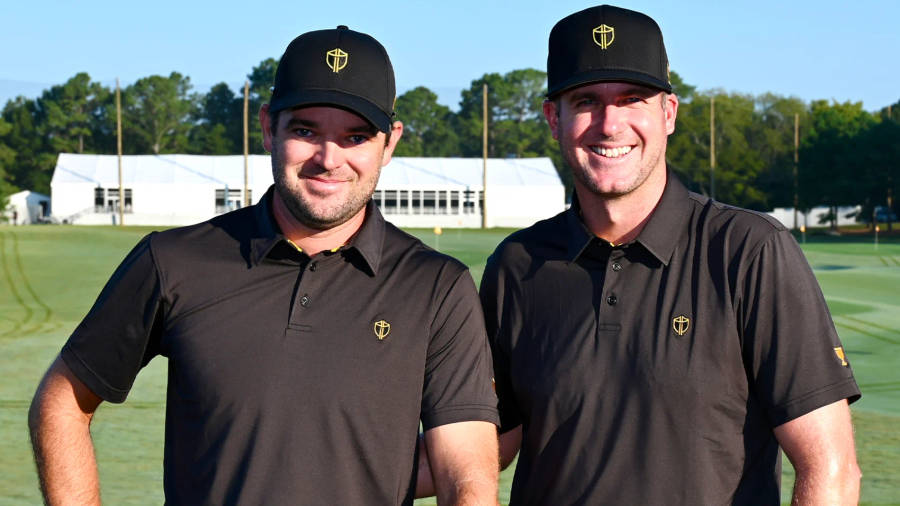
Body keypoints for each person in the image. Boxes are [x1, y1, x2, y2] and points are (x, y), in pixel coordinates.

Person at [29, 26, 499, 505]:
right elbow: (62, 400)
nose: (328, 159)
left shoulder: (437, 287)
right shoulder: (173, 261)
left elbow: (466, 474)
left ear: (389, 142)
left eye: (355, 137)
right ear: (269, 126)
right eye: (305, 131)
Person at [480, 5, 862, 505]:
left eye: (632, 100)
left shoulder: (749, 250)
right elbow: (485, 446)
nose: (610, 124)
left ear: (668, 113)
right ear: (555, 118)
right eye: (586, 101)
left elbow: (831, 471)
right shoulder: (516, 265)